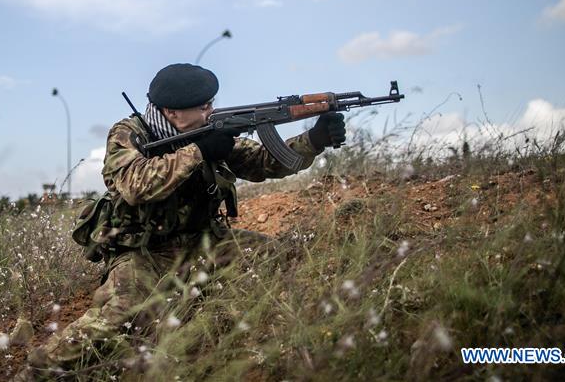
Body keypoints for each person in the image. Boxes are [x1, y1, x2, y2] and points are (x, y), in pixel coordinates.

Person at [21, 63, 346, 377]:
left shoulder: (207, 129)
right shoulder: (128, 133)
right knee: (116, 320)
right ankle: (35, 372)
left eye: (210, 104)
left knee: (281, 258)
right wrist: (198, 151)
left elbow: (263, 162)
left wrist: (314, 140)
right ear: (171, 112)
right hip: (145, 252)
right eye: (202, 106)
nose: (210, 111)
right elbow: (136, 185)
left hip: (204, 240)